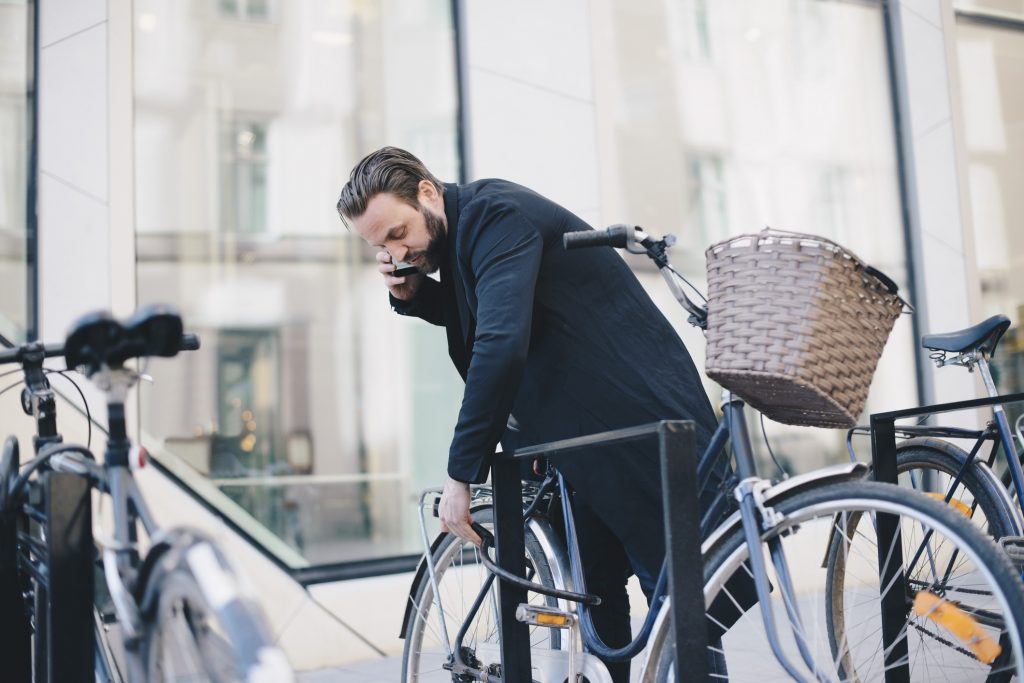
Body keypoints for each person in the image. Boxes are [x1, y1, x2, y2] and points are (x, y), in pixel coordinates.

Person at [336, 147, 725, 682]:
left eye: (397, 233)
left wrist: (461, 474)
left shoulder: (496, 215)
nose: (395, 250)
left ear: (427, 191)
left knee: (688, 604)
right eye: (380, 246)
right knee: (595, 599)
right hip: (576, 436)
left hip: (634, 418)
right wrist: (413, 292)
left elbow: (499, 341)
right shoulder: (459, 235)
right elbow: (480, 311)